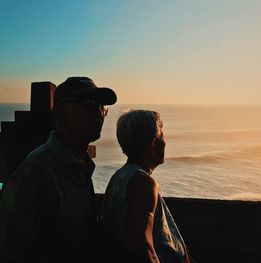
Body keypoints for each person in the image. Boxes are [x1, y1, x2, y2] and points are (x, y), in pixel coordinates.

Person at [0, 77, 117, 262]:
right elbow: (11, 249)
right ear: (61, 111)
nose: (98, 112)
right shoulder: (37, 172)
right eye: (88, 103)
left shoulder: (80, 164)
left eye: (102, 106)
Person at [103, 110, 194, 263]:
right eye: (162, 136)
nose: (164, 142)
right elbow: (140, 246)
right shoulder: (143, 183)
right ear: (152, 143)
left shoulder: (119, 177)